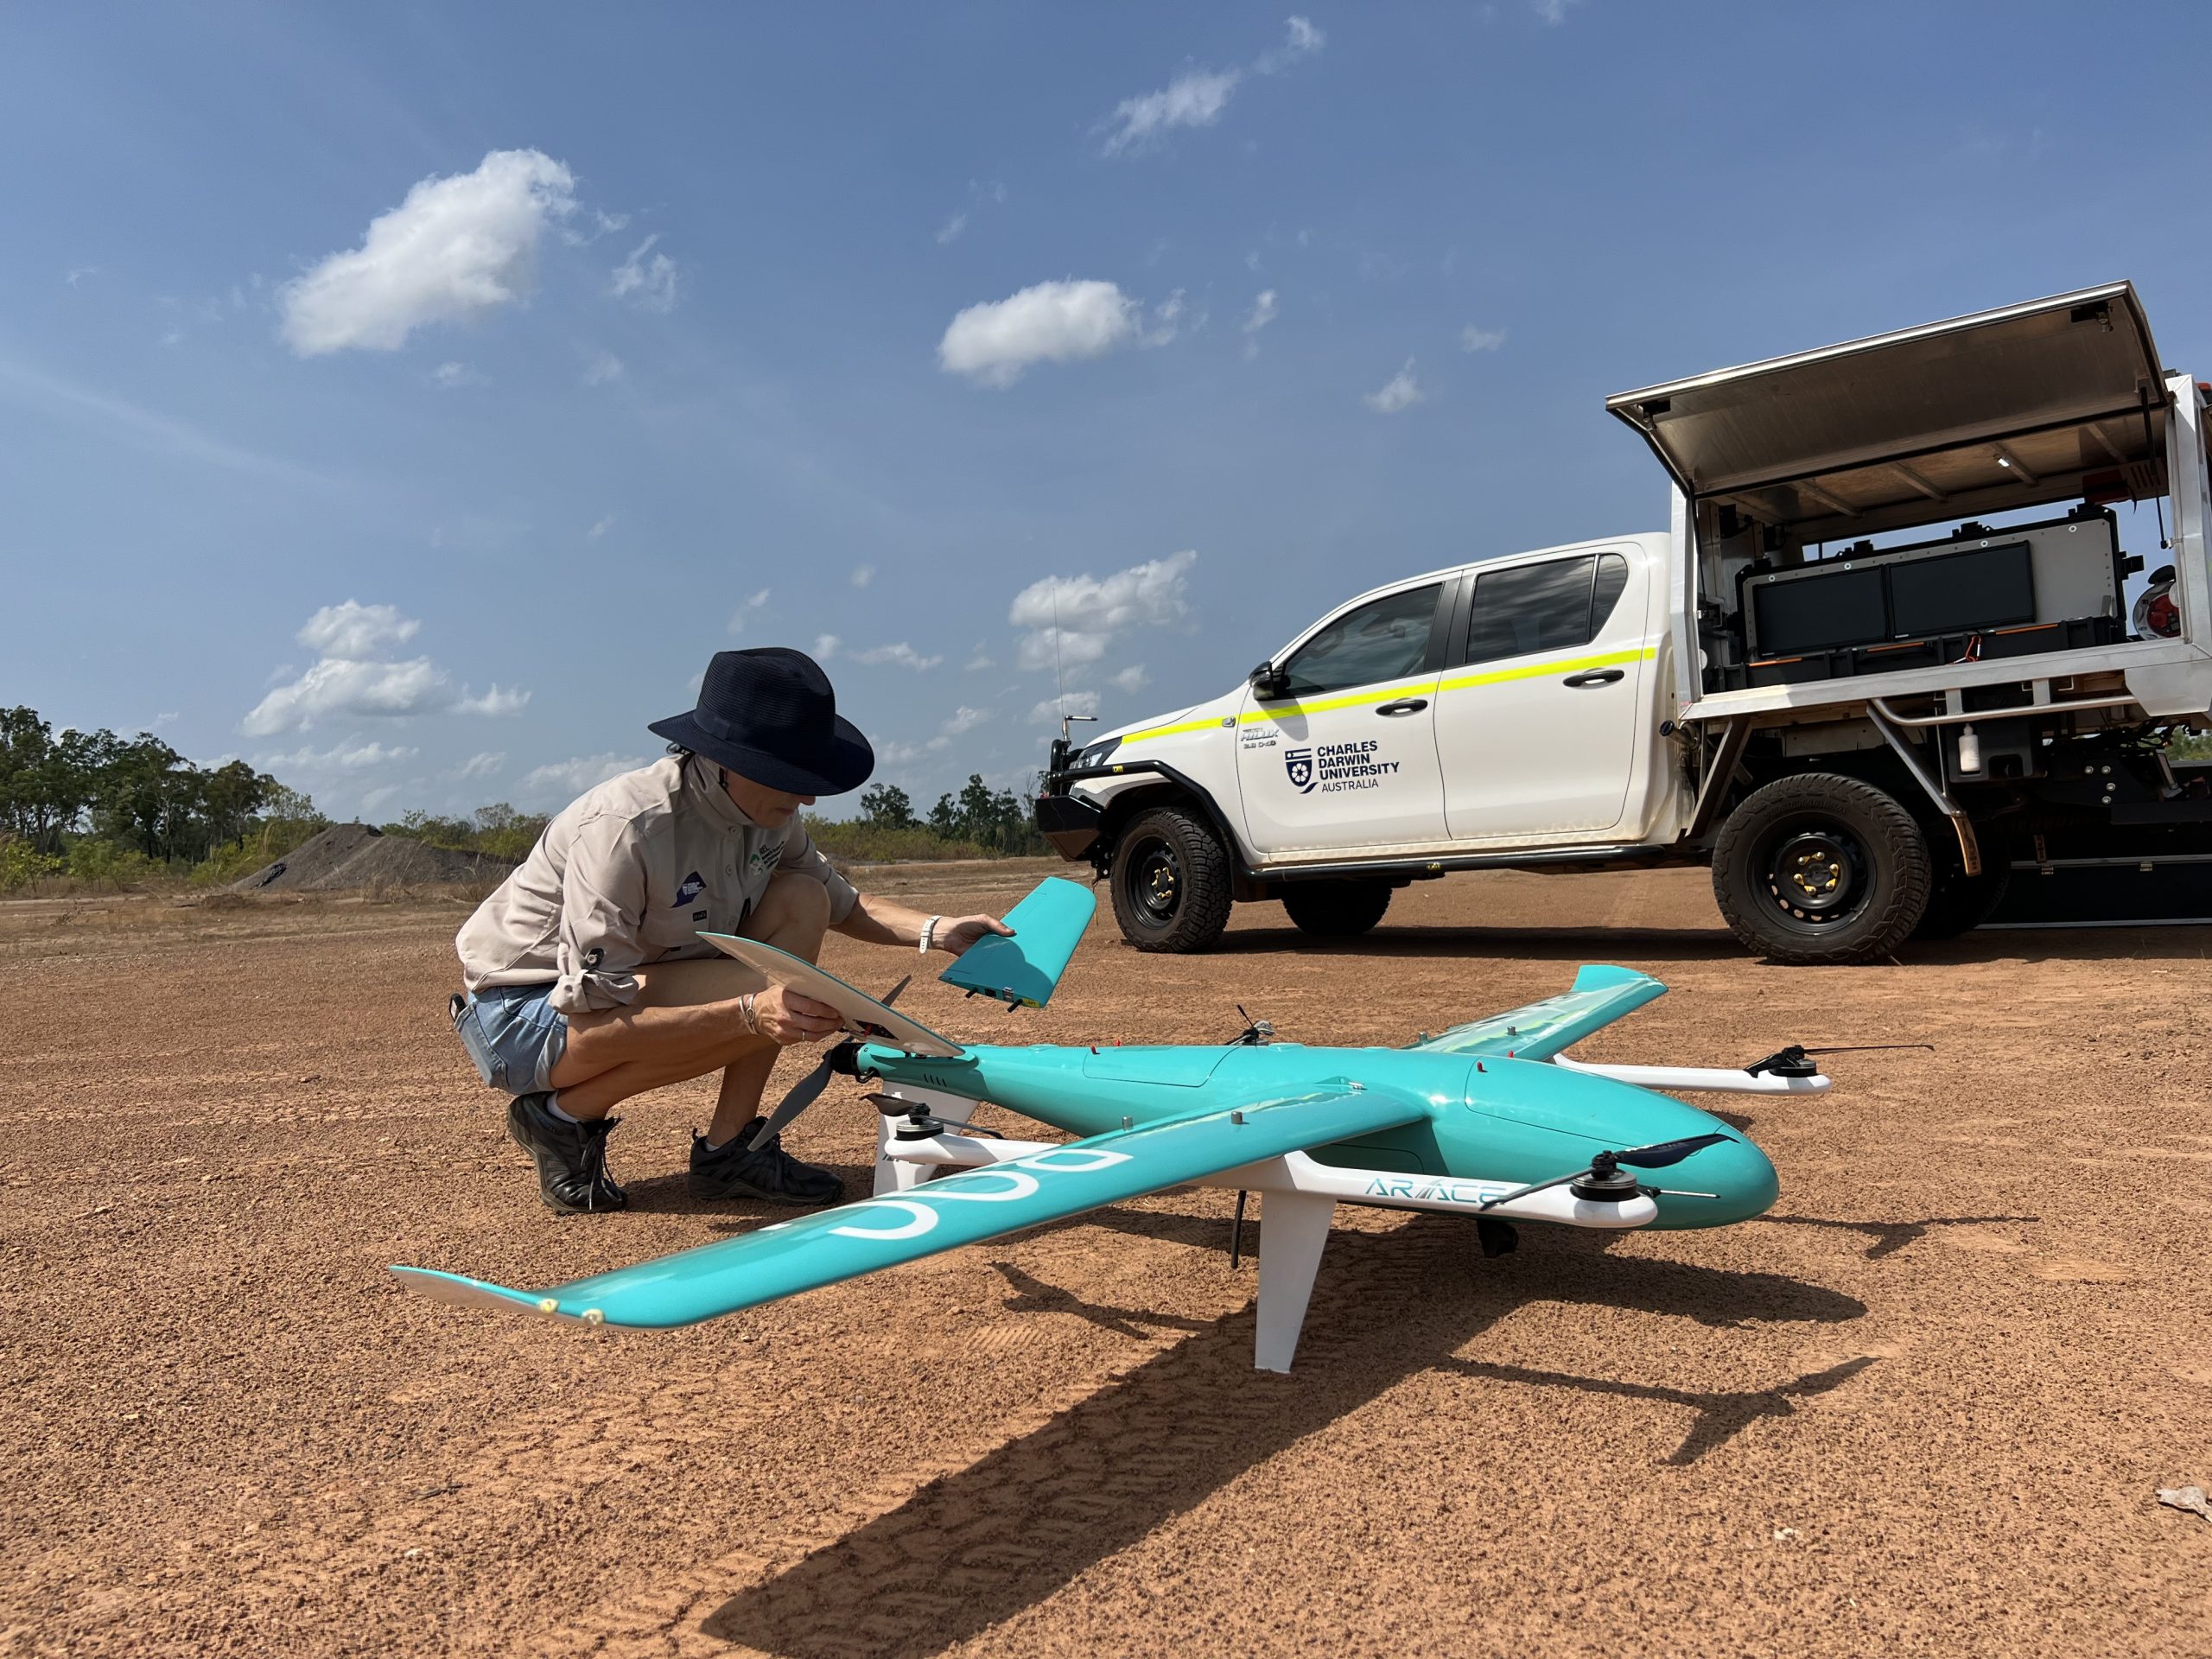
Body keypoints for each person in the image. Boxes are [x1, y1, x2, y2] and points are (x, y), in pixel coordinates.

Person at [450, 647, 1010, 1214]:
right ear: (729, 760)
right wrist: (751, 1014)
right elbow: (596, 1027)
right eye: (791, 777)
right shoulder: (625, 829)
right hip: (524, 1011)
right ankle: (561, 1119)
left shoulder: (768, 815)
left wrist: (940, 931)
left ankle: (728, 1152)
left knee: (802, 899)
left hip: (631, 986)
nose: (809, 796)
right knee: (773, 1001)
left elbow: (841, 902)